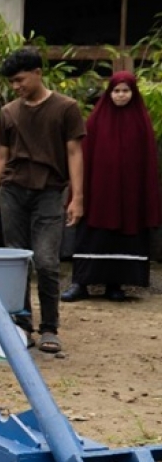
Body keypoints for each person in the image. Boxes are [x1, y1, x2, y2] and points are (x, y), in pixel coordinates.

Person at [0, 48, 85, 354]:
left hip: (50, 192)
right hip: (13, 192)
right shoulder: (9, 112)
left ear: (38, 72)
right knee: (16, 262)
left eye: (20, 79)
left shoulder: (66, 108)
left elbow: (75, 152)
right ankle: (21, 325)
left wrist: (77, 197)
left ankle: (50, 327)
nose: (16, 86)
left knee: (47, 262)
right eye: (11, 82)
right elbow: (1, 157)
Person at [62, 72, 161, 302]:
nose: (120, 95)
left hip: (129, 195)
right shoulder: (96, 120)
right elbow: (84, 155)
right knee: (92, 235)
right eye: (116, 91)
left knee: (123, 238)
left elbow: (148, 162)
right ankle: (81, 284)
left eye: (125, 91)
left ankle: (114, 285)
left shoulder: (141, 122)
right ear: (109, 93)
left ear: (133, 93)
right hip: (99, 193)